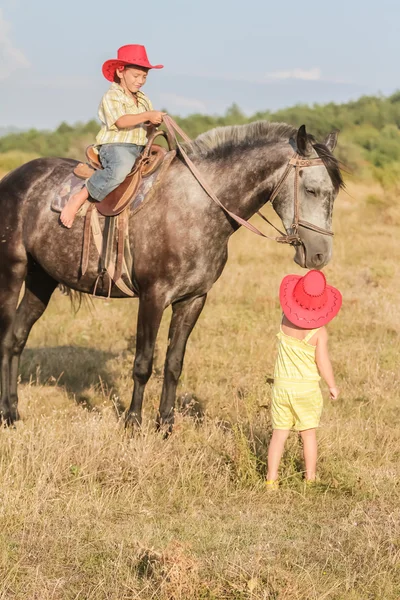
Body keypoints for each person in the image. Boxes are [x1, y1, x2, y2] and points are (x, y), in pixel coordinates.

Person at [60, 44, 166, 228]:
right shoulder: (112, 96)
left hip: (140, 148)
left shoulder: (143, 99)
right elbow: (121, 121)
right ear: (120, 72)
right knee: (119, 170)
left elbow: (146, 129)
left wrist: (152, 124)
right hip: (116, 147)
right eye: (136, 75)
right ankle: (79, 197)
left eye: (144, 77)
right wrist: (147, 115)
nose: (140, 80)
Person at [266, 269, 342, 489]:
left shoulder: (284, 320)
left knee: (278, 435)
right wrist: (332, 385)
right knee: (308, 434)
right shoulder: (319, 332)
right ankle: (310, 479)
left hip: (281, 388)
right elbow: (323, 362)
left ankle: (271, 480)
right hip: (306, 389)